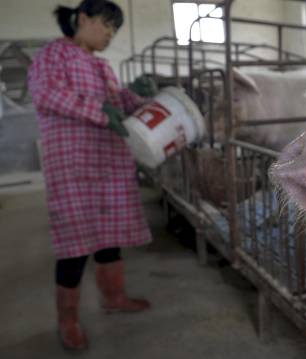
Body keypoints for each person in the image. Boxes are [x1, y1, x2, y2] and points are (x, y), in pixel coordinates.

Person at [27, 0, 156, 351]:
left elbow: (116, 107)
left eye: (115, 30)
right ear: (82, 18)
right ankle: (67, 320)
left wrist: (135, 95)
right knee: (74, 244)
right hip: (74, 165)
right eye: (106, 25)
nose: (110, 35)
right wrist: (99, 110)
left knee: (108, 235)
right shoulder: (53, 55)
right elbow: (47, 94)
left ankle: (114, 298)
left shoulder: (101, 66)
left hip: (108, 162)